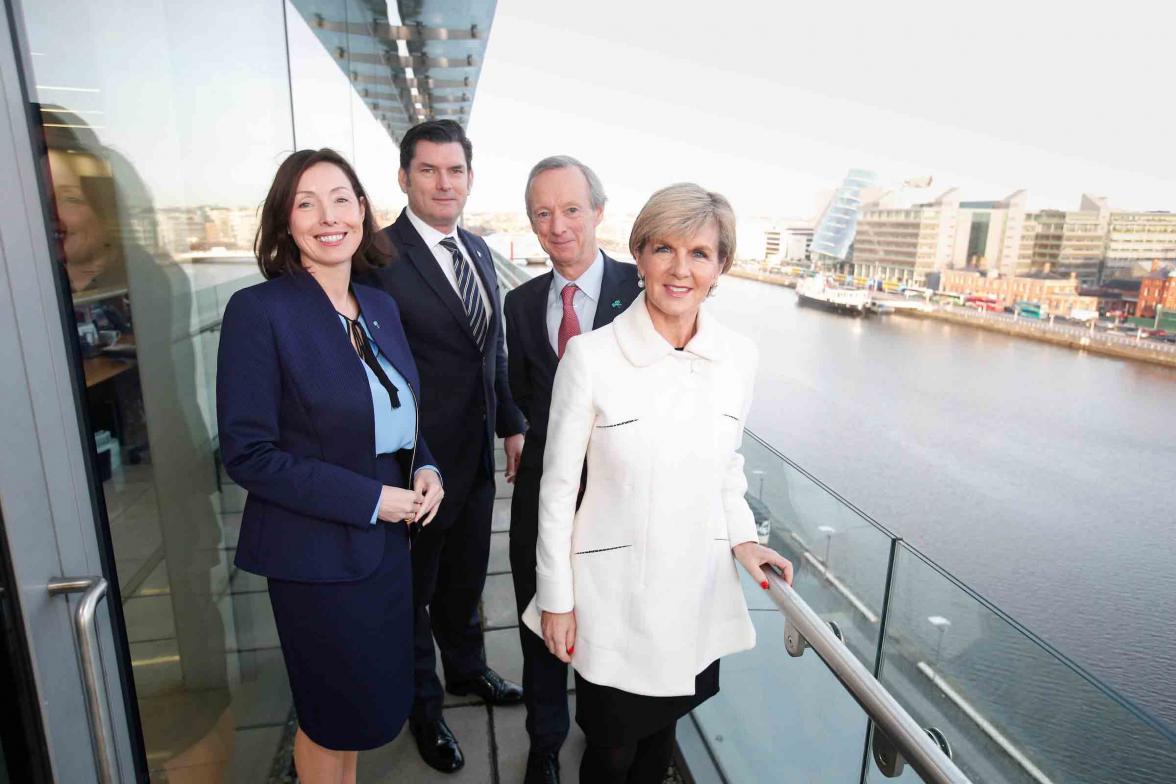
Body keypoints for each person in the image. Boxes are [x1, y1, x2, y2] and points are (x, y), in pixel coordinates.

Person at [522, 183, 795, 783]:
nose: (680, 269)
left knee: (661, 740)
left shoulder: (738, 358)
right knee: (611, 748)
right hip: (614, 596)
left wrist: (744, 539)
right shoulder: (591, 358)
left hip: (694, 590)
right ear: (639, 256)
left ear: (721, 267)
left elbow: (727, 463)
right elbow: (557, 488)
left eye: (700, 253)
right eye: (664, 249)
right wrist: (556, 599)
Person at [217, 149, 444, 784]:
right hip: (317, 559)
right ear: (285, 223)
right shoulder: (260, 312)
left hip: (386, 551)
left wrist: (428, 470)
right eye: (305, 203)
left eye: (341, 198)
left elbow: (401, 419)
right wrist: (376, 499)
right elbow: (249, 454)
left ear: (364, 211)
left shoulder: (378, 307)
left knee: (364, 714)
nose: (328, 217)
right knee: (329, 718)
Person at [361, 120, 525, 773]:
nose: (442, 182)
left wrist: (510, 420)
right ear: (404, 178)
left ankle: (466, 671)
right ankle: (423, 712)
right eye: (428, 170)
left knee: (463, 583)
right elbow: (379, 374)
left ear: (469, 178)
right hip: (417, 465)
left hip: (476, 460)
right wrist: (420, 454)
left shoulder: (480, 250)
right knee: (414, 595)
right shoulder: (377, 258)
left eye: (454, 170)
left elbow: (494, 350)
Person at [504, 155, 640, 784]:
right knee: (539, 624)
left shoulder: (643, 290)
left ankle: (604, 732)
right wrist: (515, 435)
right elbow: (525, 393)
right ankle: (543, 745)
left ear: (599, 213)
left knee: (610, 620)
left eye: (571, 209)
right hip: (541, 495)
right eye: (542, 212)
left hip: (621, 499)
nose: (557, 225)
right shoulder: (521, 302)